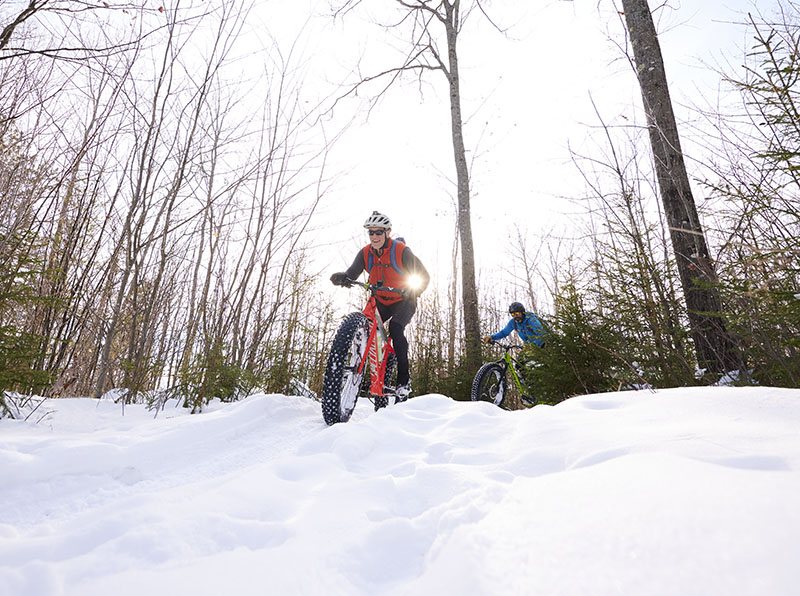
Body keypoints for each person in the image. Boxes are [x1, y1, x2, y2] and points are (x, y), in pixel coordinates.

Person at [330, 211, 430, 401]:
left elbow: (424, 276)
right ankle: (360, 369)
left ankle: (403, 381)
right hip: (381, 300)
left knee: (395, 329)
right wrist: (344, 277)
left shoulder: (401, 251)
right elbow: (353, 272)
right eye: (371, 233)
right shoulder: (366, 253)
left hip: (404, 299)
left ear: (388, 232)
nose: (374, 236)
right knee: (366, 326)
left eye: (378, 232)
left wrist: (413, 291)